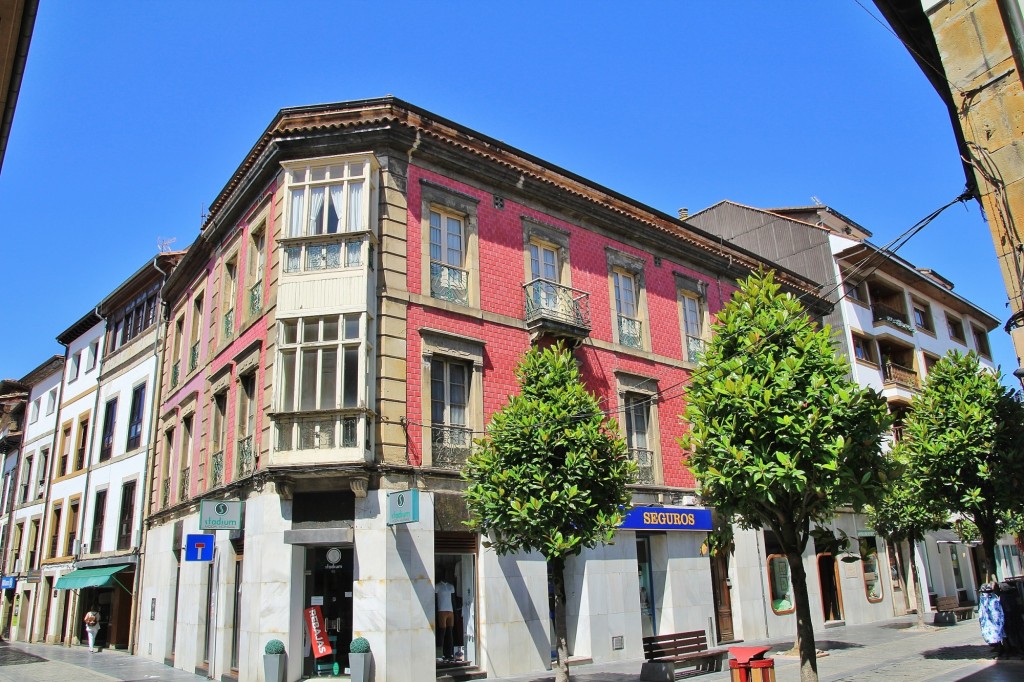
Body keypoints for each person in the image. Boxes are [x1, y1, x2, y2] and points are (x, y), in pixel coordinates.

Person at [436, 573, 456, 662]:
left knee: (450, 633)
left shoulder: (451, 586)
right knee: (442, 632)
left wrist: (455, 611)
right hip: (441, 610)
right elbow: (435, 599)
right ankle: (440, 653)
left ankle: (450, 653)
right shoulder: (437, 586)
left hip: (450, 611)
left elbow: (453, 599)